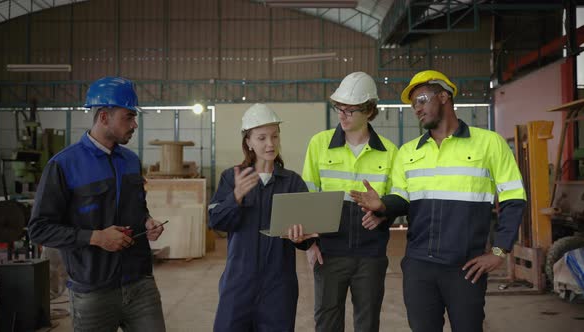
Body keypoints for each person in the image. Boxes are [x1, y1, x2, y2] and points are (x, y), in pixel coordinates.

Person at [350, 70, 527, 332]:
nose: (416, 109)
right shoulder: (409, 152)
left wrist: (500, 251)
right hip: (419, 267)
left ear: (444, 96)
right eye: (413, 105)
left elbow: (514, 199)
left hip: (465, 268)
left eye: (421, 100)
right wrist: (383, 206)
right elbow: (402, 198)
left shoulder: (489, 144)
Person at [28, 77, 166, 332]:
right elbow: (39, 229)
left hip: (140, 284)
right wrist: (96, 237)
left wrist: (147, 221)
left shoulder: (131, 161)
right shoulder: (63, 166)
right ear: (104, 117)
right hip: (93, 292)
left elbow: (138, 207)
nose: (135, 124)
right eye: (128, 117)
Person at [302, 72, 398, 332]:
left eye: (350, 110)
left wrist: (383, 212)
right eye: (339, 108)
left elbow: (399, 199)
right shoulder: (319, 144)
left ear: (369, 111)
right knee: (327, 323)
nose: (342, 115)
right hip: (329, 254)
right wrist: (310, 245)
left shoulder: (390, 152)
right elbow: (308, 197)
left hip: (371, 255)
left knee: (367, 325)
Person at [208, 103, 315, 332]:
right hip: (238, 282)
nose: (270, 144)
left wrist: (301, 238)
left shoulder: (292, 182)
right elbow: (215, 221)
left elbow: (308, 238)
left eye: (275, 136)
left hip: (279, 285)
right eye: (262, 137)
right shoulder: (232, 178)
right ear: (248, 141)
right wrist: (235, 197)